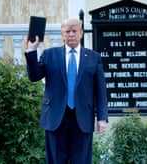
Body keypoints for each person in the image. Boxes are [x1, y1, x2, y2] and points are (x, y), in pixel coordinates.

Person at [24, 18, 108, 164]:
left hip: (82, 119)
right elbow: (34, 76)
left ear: (81, 33)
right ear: (62, 35)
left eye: (74, 31)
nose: (71, 34)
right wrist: (32, 51)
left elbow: (100, 91)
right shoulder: (49, 55)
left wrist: (102, 118)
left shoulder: (94, 58)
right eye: (67, 31)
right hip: (55, 118)